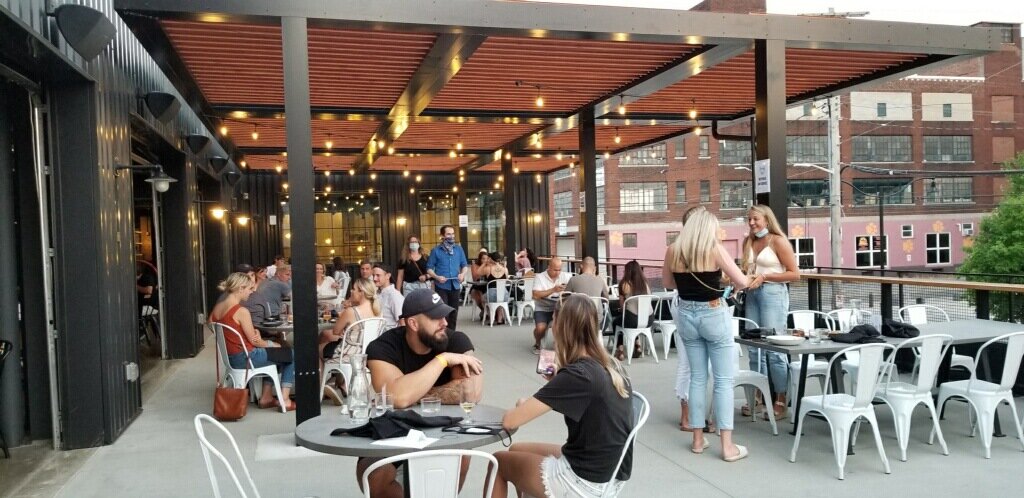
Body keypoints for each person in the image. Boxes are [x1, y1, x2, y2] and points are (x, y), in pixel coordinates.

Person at [491, 294, 634, 498]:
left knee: (498, 462)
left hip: (585, 481)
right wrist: (556, 384)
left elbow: (510, 421)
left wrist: (526, 404)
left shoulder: (578, 374)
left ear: (561, 326)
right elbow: (592, 405)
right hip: (610, 474)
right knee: (516, 449)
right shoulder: (610, 365)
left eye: (553, 319)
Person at [359, 289, 483, 498]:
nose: (444, 322)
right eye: (436, 318)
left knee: (461, 457)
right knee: (375, 476)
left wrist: (411, 393)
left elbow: (470, 393)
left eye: (444, 315)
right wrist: (442, 361)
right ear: (413, 324)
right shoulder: (383, 347)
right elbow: (397, 398)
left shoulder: (456, 341)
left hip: (444, 430)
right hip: (393, 430)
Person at [662, 206, 754, 462]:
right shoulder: (714, 249)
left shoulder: (673, 250)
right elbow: (742, 282)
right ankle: (727, 446)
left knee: (697, 378)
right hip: (713, 313)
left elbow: (668, 283)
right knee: (723, 380)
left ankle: (697, 439)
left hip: (686, 314)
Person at [740, 204, 801, 419]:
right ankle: (758, 395)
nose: (751, 223)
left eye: (755, 219)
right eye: (749, 219)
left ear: (767, 220)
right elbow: (746, 269)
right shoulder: (748, 242)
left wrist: (765, 277)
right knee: (754, 347)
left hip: (773, 293)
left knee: (774, 349)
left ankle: (781, 399)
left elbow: (794, 274)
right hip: (752, 294)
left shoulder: (778, 241)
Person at [210, 272, 295, 411]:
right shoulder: (241, 311)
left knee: (279, 354)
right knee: (290, 354)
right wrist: (273, 344)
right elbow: (256, 342)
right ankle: (285, 400)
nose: (252, 291)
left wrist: (237, 335)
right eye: (250, 288)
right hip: (247, 357)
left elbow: (212, 325)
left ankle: (267, 397)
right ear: (240, 288)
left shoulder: (218, 307)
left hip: (231, 358)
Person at [318, 278, 382, 403]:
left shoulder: (351, 311)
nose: (351, 291)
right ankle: (340, 384)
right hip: (367, 353)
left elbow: (336, 331)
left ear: (362, 292)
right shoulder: (378, 311)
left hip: (349, 353)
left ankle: (319, 389)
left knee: (317, 349)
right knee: (334, 345)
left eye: (354, 289)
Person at [426, 225, 468, 330]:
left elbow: (464, 265)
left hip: (455, 285)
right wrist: (437, 277)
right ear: (442, 236)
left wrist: (462, 274)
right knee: (444, 313)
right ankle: (443, 334)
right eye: (449, 234)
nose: (451, 236)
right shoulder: (435, 251)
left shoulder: (458, 249)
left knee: (454, 313)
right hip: (441, 286)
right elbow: (429, 269)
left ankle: (451, 335)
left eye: (453, 234)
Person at [531, 257, 571, 354]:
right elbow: (535, 295)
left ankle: (559, 345)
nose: (558, 272)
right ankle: (537, 343)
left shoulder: (566, 276)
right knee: (540, 328)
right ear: (549, 267)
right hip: (542, 308)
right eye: (555, 270)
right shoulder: (540, 277)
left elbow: (573, 292)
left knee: (560, 326)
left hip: (559, 308)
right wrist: (553, 290)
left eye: (559, 270)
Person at [612, 260, 650, 361]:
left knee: (617, 322)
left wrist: (622, 309)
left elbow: (622, 306)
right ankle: (637, 345)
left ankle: (620, 350)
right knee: (632, 320)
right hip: (648, 319)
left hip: (632, 319)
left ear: (627, 271)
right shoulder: (646, 284)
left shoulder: (624, 284)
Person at [372, 263, 405, 330]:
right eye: (373, 275)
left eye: (378, 275)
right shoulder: (377, 293)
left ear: (388, 276)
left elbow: (403, 322)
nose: (374, 278)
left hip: (389, 334)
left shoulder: (394, 295)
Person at [484, 252, 511, 324]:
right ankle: (499, 319)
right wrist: (504, 266)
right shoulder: (505, 269)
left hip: (491, 294)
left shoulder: (488, 269)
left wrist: (486, 263)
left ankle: (491, 318)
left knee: (484, 298)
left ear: (491, 259)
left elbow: (481, 274)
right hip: (503, 294)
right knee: (500, 298)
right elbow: (506, 280)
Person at [470, 251, 493, 318]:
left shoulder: (489, 266)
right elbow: (475, 277)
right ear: (480, 259)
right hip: (477, 285)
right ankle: (484, 310)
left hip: (487, 285)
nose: (485, 260)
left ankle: (489, 312)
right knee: (476, 292)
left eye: (486, 258)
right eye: (483, 258)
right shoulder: (475, 266)